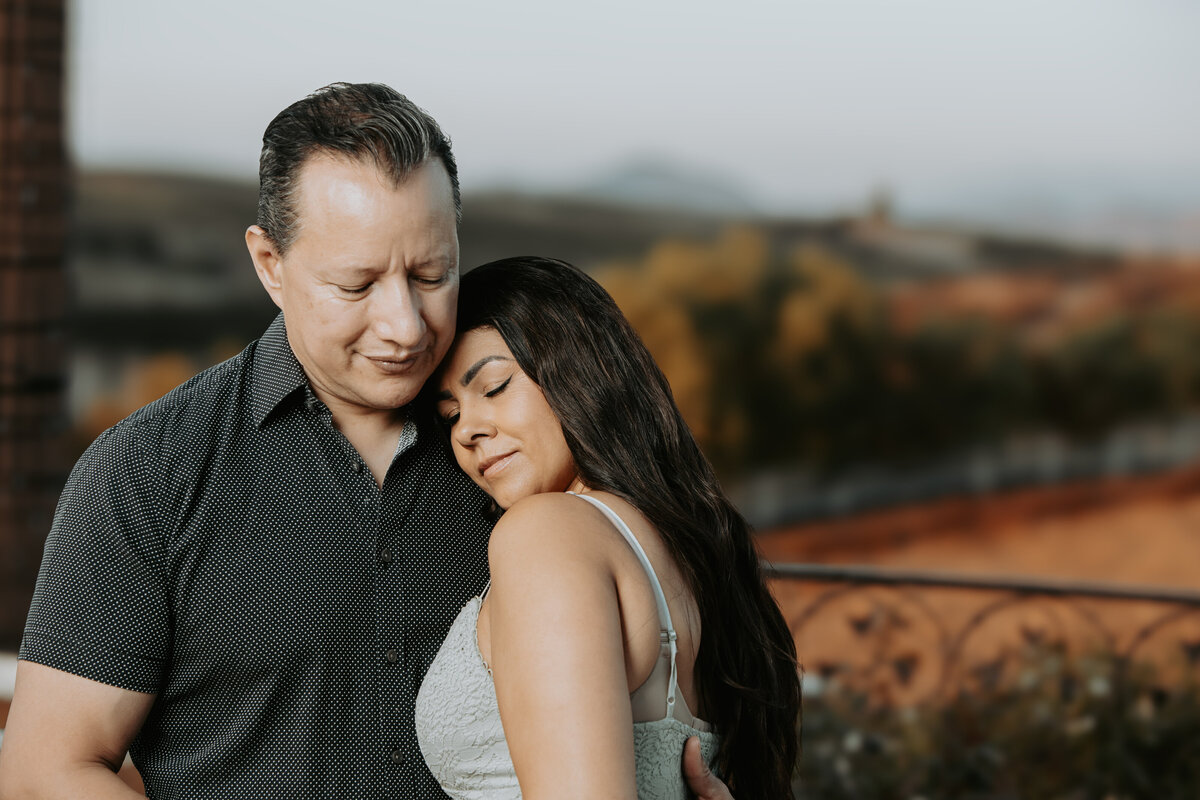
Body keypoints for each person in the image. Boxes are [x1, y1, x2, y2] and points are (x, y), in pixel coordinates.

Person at [0, 84, 734, 800]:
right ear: (270, 265)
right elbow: (44, 771)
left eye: (430, 274)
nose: (406, 325)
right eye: (357, 285)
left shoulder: (517, 457)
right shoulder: (147, 474)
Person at [414, 257, 802, 799]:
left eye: (495, 386)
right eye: (450, 414)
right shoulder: (680, 547)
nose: (469, 430)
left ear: (580, 373)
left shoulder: (543, 533)